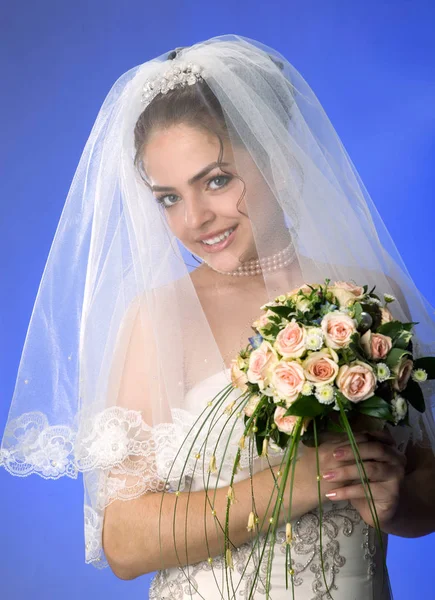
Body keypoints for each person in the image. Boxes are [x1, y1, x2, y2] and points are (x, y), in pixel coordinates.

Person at [1, 35, 435, 599]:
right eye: (169, 198)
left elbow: (425, 495)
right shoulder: (158, 318)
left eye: (216, 180)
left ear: (277, 156)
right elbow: (124, 544)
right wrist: (298, 482)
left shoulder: (376, 299)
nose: (196, 219)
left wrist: (398, 497)